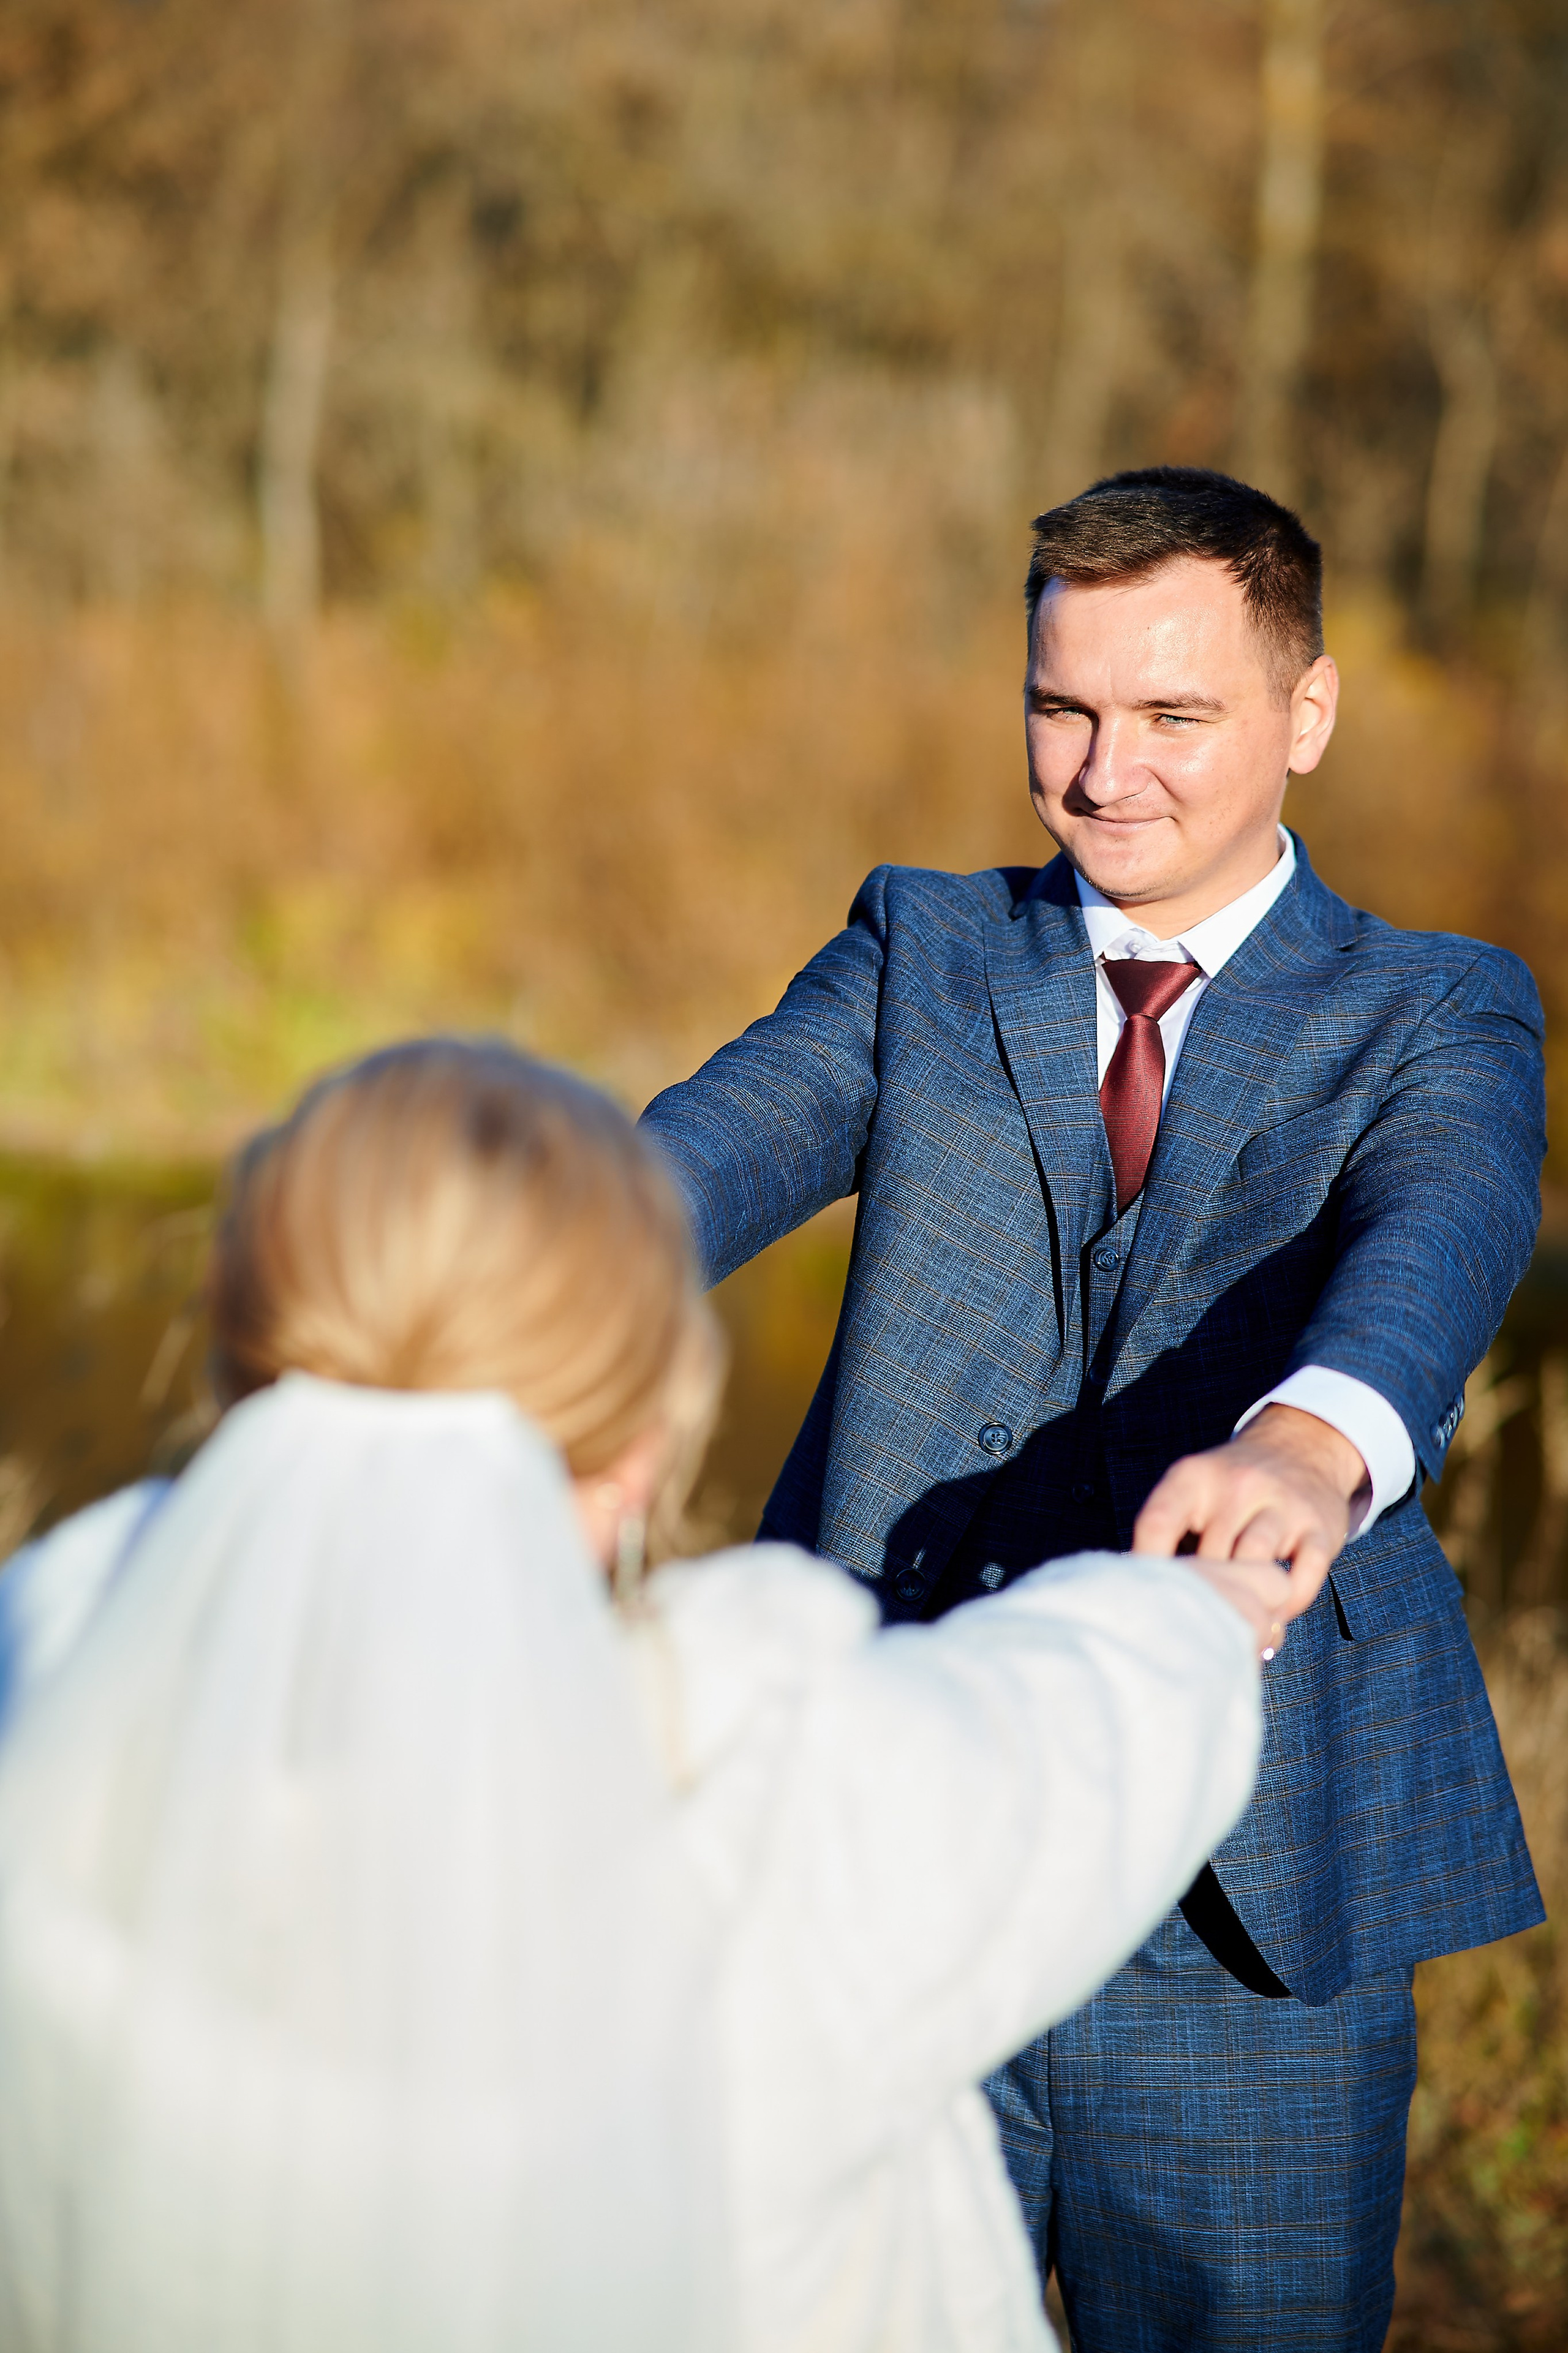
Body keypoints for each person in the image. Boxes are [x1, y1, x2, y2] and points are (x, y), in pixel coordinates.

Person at [639, 465, 1548, 2352]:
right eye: (1062, 708)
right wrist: (487, 1277)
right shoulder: (923, 950)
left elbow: (1442, 1237)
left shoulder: (1438, 1007)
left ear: (1306, 711)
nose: (1104, 771)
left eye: (1173, 715)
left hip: (1251, 1910)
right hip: (893, 1857)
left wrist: (1312, 1441)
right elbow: (687, 1166)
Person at [0, 1037, 1286, 2353]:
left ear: (241, 1371)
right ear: (641, 1444)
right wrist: (1206, 1602)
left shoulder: (47, 1673)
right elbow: (1078, 1724)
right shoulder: (759, 1763)